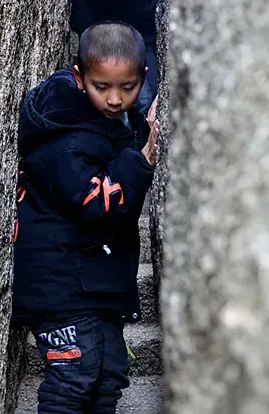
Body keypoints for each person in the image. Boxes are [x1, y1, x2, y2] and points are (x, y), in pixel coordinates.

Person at [12, 21, 159, 414]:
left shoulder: (113, 125)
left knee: (110, 373)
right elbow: (96, 203)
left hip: (94, 282)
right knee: (75, 374)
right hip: (59, 283)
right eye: (102, 87)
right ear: (80, 78)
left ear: (142, 79)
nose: (114, 99)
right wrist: (141, 161)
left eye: (126, 88)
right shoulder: (66, 139)